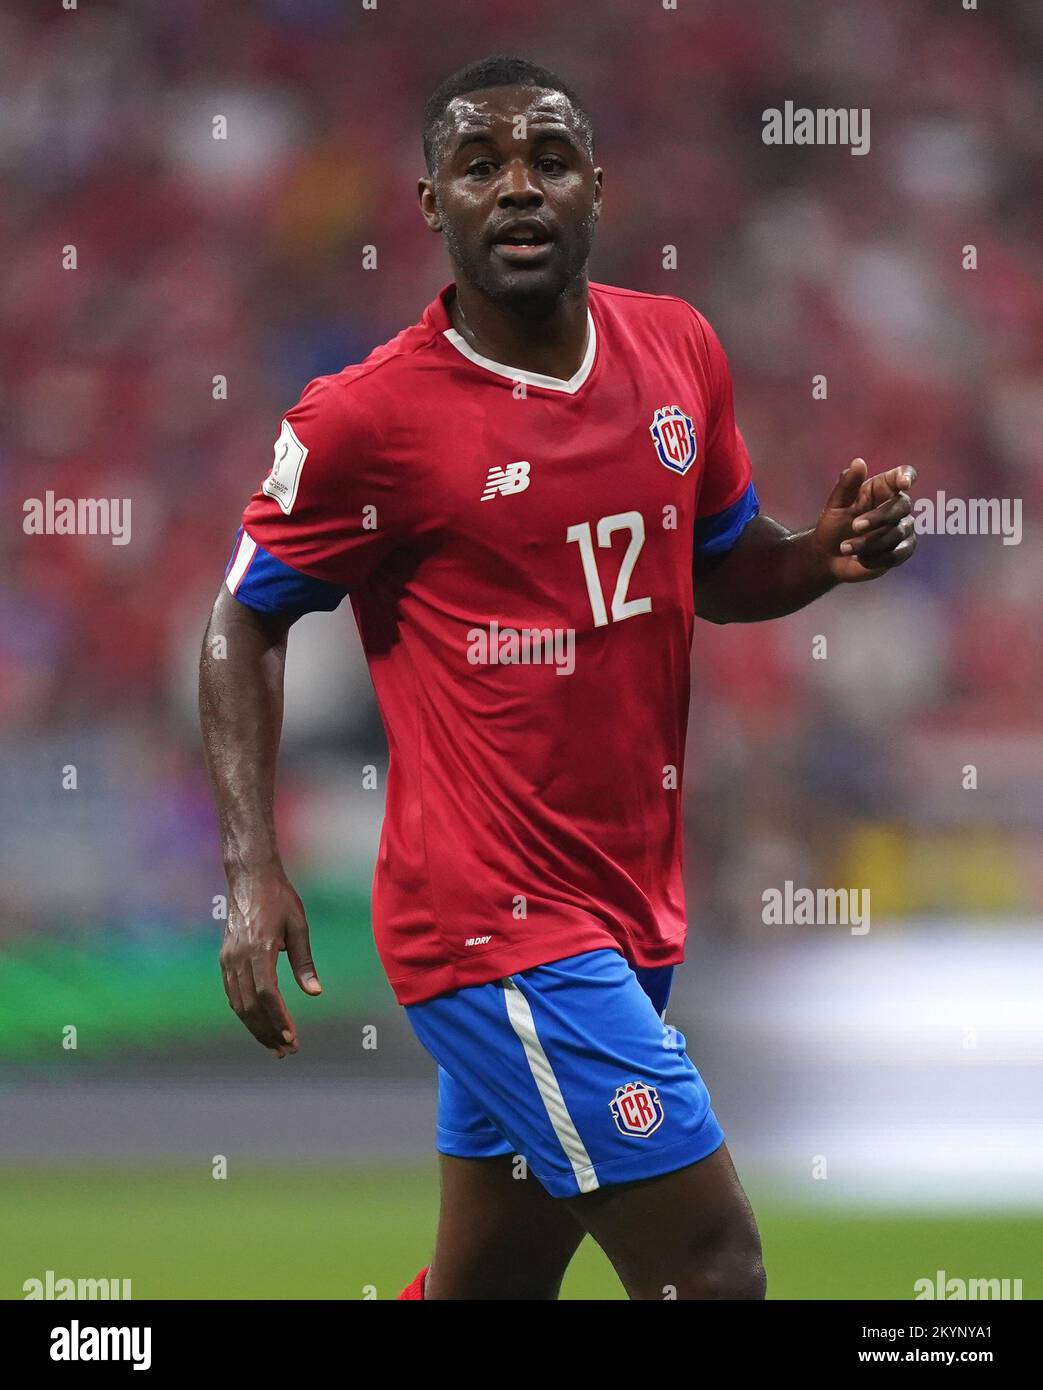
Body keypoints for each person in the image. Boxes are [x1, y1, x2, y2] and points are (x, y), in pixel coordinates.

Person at [199, 54, 917, 1301]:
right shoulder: (366, 421)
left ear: (599, 186)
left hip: (627, 901)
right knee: (713, 1262)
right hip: (489, 923)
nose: (518, 188)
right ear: (432, 204)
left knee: (492, 1291)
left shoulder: (676, 349)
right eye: (480, 166)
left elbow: (716, 566)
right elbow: (241, 619)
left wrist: (818, 556)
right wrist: (252, 866)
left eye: (548, 161)